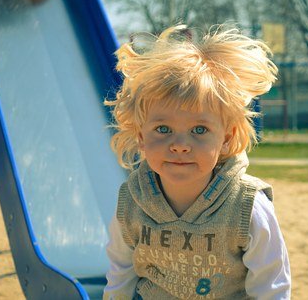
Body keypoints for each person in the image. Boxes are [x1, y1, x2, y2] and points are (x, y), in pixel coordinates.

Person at [103, 25, 291, 299]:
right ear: (141, 137)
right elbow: (120, 275)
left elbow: (271, 287)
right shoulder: (132, 202)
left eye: (199, 130)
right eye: (163, 129)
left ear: (226, 139)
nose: (180, 145)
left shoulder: (246, 207)